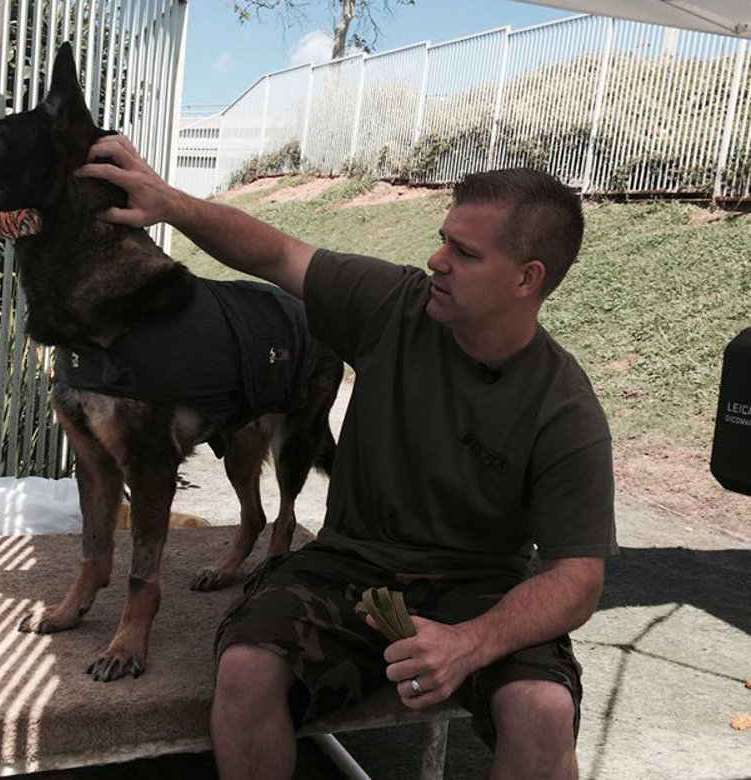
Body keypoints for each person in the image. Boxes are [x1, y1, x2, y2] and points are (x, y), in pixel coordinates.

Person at [75, 135, 617, 780]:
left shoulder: (564, 408)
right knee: (247, 669)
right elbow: (276, 253)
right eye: (443, 238)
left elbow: (577, 577)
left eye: (464, 252)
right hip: (347, 566)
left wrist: (471, 643)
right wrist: (171, 204)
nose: (435, 259)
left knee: (543, 709)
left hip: (481, 589)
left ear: (527, 278)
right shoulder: (397, 305)